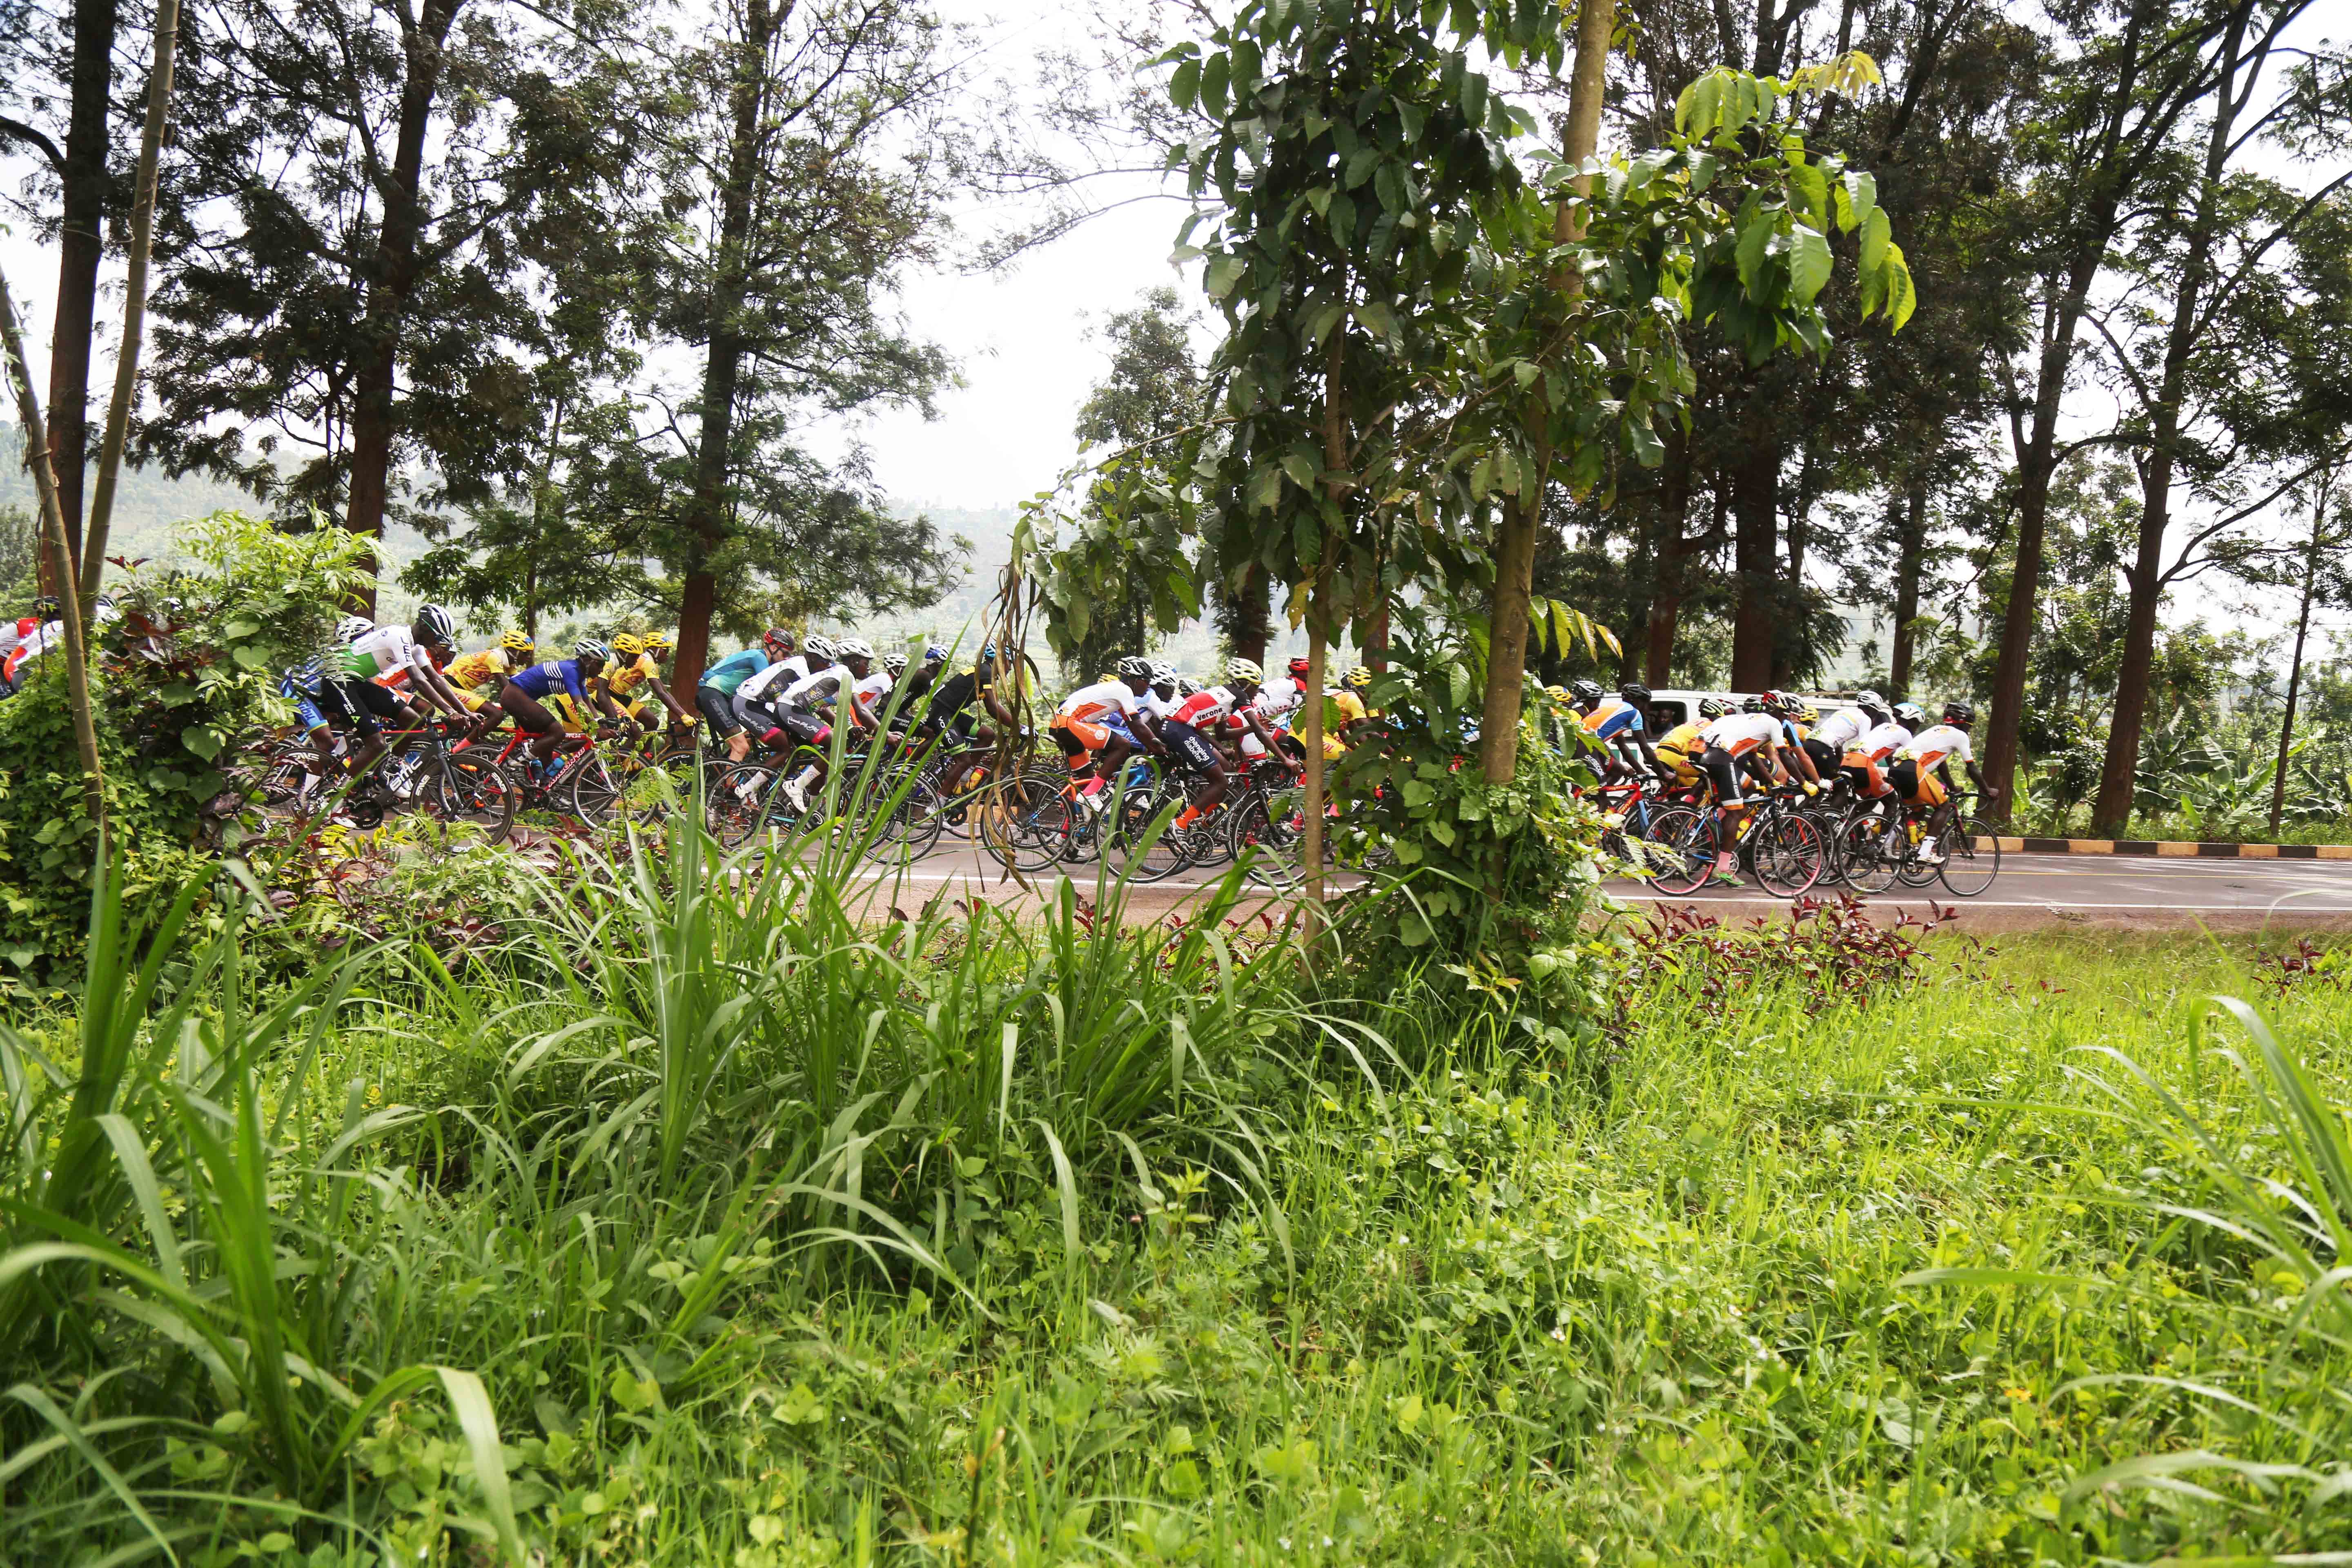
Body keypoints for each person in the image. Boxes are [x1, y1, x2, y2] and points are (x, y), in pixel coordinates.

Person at [336, 605, 477, 790]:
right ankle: (337, 792)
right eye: (437, 638)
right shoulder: (398, 636)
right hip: (341, 681)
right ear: (425, 628)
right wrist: (450, 712)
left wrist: (464, 711)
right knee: (376, 743)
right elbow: (420, 681)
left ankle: (389, 768)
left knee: (413, 720)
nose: (436, 644)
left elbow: (436, 680)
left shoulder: (416, 647)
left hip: (360, 683)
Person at [1695, 695, 1809, 885]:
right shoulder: (1773, 723)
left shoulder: (1750, 721)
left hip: (1706, 753)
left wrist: (1771, 781)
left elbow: (1755, 759)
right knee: (1737, 812)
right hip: (1722, 758)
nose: (1786, 720)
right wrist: (1805, 783)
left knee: (1742, 794)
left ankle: (1712, 822)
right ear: (1777, 711)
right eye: (1785, 715)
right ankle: (1723, 868)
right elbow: (1786, 757)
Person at [1049, 655, 1164, 808]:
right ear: (1137, 680)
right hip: (1069, 724)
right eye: (1147, 681)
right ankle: (1091, 795)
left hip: (1061, 725)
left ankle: (1068, 830)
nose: (1148, 687)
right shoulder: (1124, 690)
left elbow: (1134, 727)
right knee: (1123, 745)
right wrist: (1160, 748)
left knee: (1088, 783)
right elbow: (1138, 726)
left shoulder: (1116, 692)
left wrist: (1153, 744)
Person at [500, 637, 622, 776]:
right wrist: (597, 730)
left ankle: (541, 784)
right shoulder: (571, 671)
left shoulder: (580, 675)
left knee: (546, 739)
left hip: (519, 697)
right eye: (600, 665)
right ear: (589, 662)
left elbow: (587, 702)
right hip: (515, 695)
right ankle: (515, 766)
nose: (601, 670)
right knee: (558, 732)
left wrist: (600, 722)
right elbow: (579, 705)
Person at [1893, 700, 1989, 864]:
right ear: (1965, 724)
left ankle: (1887, 846)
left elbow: (1941, 764)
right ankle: (1925, 853)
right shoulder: (1961, 736)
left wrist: (1952, 787)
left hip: (1896, 768)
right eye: (1970, 726)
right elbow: (1971, 768)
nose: (1969, 730)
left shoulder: (1935, 730)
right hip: (1914, 769)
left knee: (1918, 810)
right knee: (1944, 806)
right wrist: (1987, 790)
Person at [697, 630, 787, 762]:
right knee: (741, 747)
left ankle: (725, 765)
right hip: (711, 693)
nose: (786, 659)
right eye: (785, 653)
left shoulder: (759, 657)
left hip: (719, 696)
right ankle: (727, 783)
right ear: (773, 648)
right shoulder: (759, 657)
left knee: (749, 738)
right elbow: (769, 687)